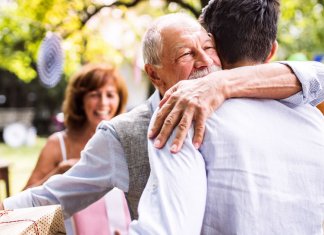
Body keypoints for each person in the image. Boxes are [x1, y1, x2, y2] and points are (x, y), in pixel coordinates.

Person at [1, 10, 324, 233]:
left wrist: (222, 84)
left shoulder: (251, 100)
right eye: (186, 55)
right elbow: (53, 199)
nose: (204, 61)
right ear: (154, 73)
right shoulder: (124, 133)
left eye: (208, 48)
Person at [133, 2, 324, 234]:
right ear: (272, 50)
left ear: (215, 48)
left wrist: (220, 82)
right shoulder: (314, 122)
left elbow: (170, 228)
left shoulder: (187, 113)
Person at [23, 63, 130, 235]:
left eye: (110, 95)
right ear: (80, 100)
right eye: (95, 95)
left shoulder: (127, 143)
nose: (103, 103)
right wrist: (57, 173)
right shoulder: (58, 144)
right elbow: (23, 206)